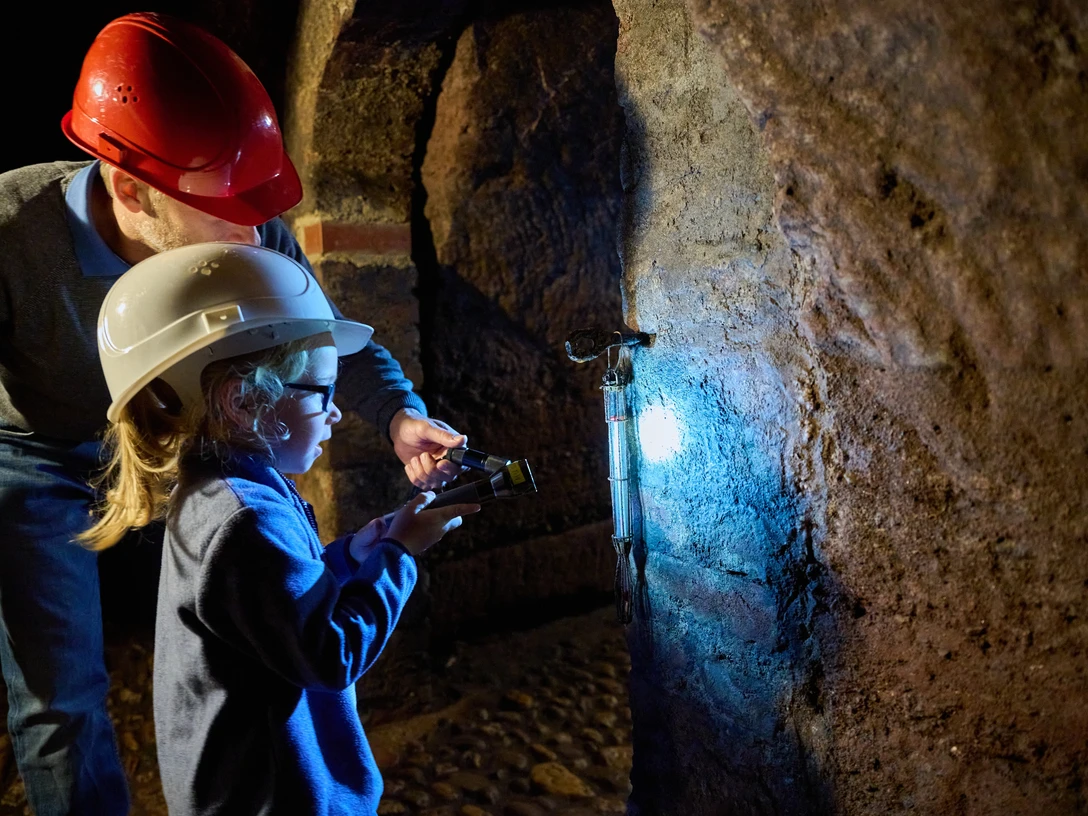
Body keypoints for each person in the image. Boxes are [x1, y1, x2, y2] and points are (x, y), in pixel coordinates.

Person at [0, 12, 462, 815]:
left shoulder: (247, 230)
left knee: (208, 645)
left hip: (182, 443)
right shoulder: (10, 231)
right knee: (58, 697)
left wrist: (397, 417)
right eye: (224, 204)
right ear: (133, 189)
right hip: (34, 454)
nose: (255, 231)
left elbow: (319, 334)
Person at [81, 241, 479, 815]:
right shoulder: (245, 518)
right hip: (276, 795)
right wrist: (399, 554)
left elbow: (275, 608)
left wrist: (352, 555)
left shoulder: (227, 484)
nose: (338, 412)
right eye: (323, 393)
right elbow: (327, 653)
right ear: (245, 403)